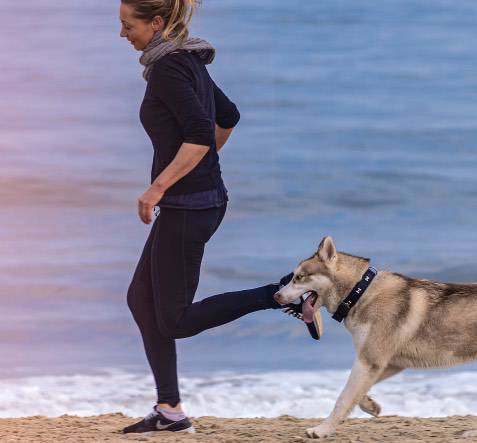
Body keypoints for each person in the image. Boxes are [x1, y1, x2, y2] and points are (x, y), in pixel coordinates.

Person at [118, 0, 322, 434]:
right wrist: (201, 168)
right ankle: (169, 410)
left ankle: (283, 294)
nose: (122, 33)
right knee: (141, 299)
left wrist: (160, 186)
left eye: (127, 24)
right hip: (196, 201)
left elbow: (198, 135)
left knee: (173, 319)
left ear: (156, 23)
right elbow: (227, 117)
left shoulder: (172, 68)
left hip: (190, 207)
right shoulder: (183, 58)